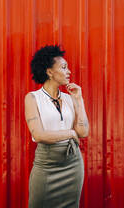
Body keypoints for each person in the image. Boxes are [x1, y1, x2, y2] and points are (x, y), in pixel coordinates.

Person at [25, 45, 90, 208]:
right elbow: (39, 135)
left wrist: (79, 100)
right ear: (49, 72)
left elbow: (83, 131)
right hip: (46, 163)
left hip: (72, 163)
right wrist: (70, 133)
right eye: (63, 67)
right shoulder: (33, 98)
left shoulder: (70, 98)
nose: (69, 71)